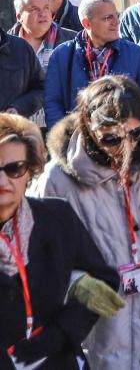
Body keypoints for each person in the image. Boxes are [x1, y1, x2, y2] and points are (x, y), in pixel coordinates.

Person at [35, 76, 140, 370]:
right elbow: (38, 261)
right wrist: (78, 285)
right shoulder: (57, 180)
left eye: (135, 133)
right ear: (88, 128)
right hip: (100, 331)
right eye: (111, 137)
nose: (126, 146)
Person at [0, 113, 122, 369]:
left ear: (30, 170)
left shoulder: (57, 217)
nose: (3, 181)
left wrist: (61, 334)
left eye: (14, 168)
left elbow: (105, 278)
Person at [44, 0, 140, 126]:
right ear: (87, 23)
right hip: (78, 137)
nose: (116, 22)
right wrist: (63, 139)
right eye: (107, 18)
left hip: (125, 138)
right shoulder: (62, 54)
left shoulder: (136, 53)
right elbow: (52, 102)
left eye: (116, 15)